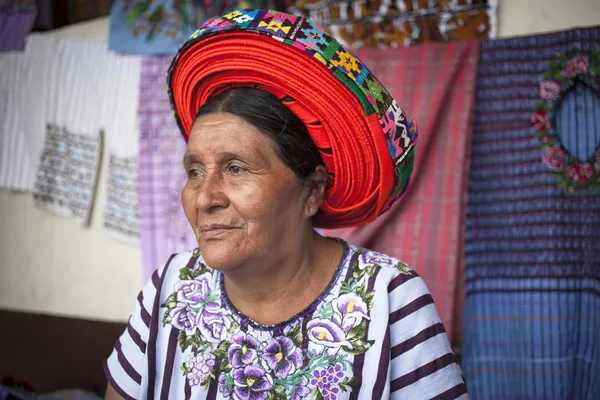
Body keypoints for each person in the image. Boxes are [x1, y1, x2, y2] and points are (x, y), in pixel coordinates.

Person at [105, 9, 467, 400]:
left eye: (236, 168)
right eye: (194, 171)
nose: (205, 197)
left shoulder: (390, 299)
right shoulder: (170, 290)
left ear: (311, 190)